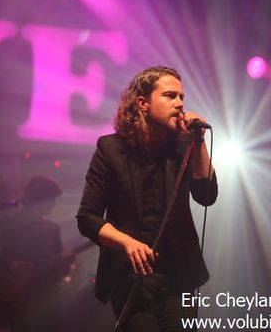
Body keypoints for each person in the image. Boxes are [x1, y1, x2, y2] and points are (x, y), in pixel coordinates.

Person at [77, 66, 218, 331]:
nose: (179, 104)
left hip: (178, 278)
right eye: (169, 96)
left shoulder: (183, 146)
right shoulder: (110, 149)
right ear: (143, 103)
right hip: (130, 279)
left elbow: (207, 195)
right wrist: (127, 242)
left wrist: (198, 141)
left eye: (181, 97)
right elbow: (87, 218)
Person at [0, 175, 74, 332]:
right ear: (41, 199)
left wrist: (65, 264)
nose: (53, 205)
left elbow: (56, 270)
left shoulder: (51, 228)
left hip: (44, 303)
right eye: (51, 200)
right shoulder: (7, 227)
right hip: (25, 304)